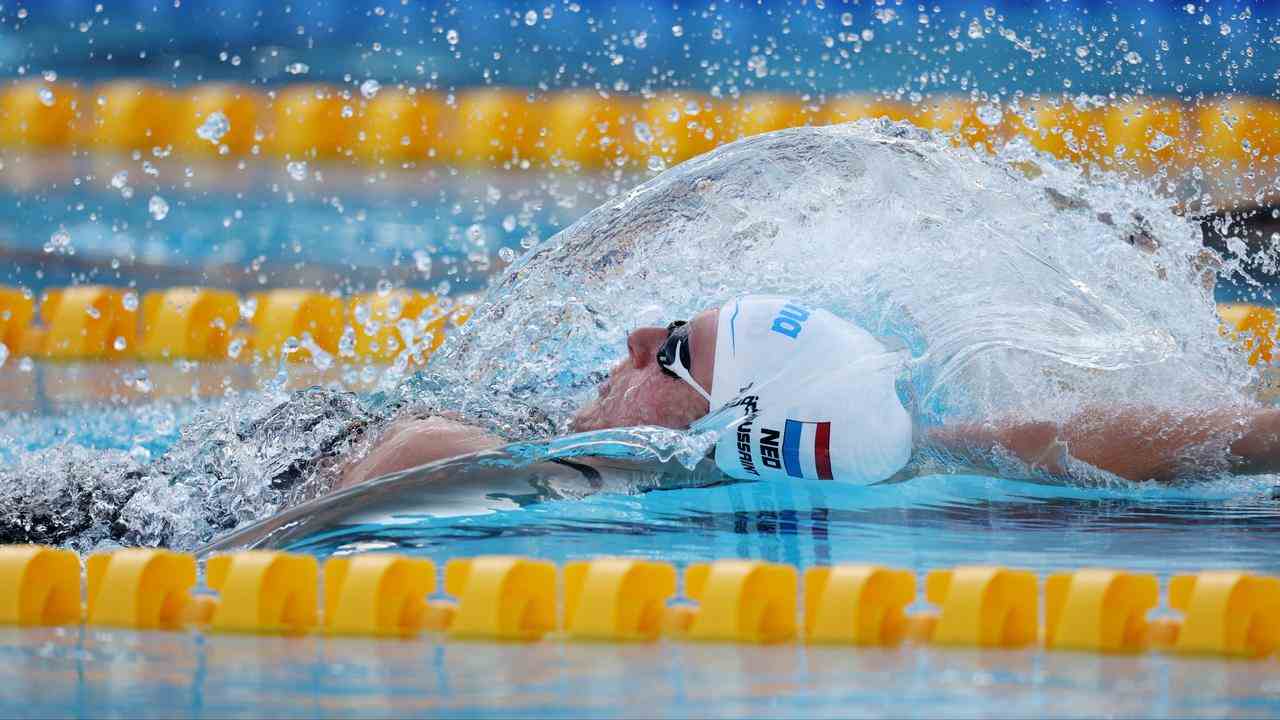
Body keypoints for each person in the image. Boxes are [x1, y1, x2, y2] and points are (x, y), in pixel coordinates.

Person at [340, 294, 1280, 490]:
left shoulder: (451, 449)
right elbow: (1043, 437)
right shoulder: (886, 472)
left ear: (730, 424)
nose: (635, 339)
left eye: (674, 350)